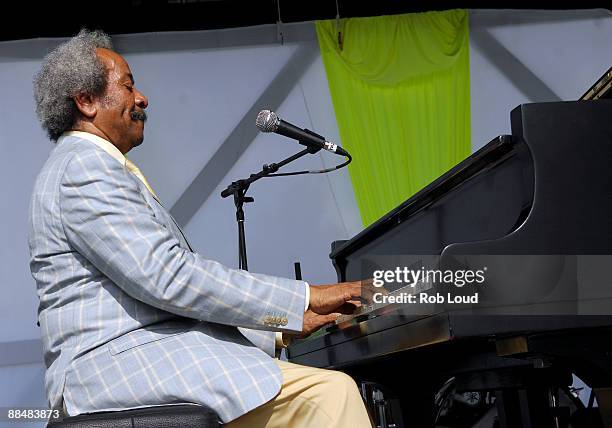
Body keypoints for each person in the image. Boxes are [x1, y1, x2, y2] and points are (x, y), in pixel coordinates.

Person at [29, 29, 372, 427]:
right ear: (86, 101)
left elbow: (149, 301)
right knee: (328, 395)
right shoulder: (83, 167)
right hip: (118, 370)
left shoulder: (85, 166)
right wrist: (304, 298)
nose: (142, 98)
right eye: (128, 84)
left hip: (141, 358)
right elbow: (169, 279)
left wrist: (280, 329)